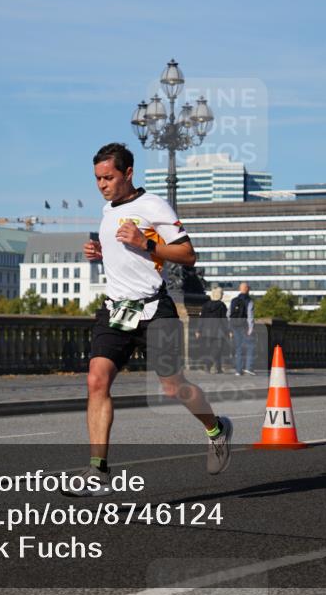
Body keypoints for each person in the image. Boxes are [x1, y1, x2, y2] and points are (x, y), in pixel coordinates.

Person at [64, 143, 233, 498]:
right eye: (97, 178)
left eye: (108, 177)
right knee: (97, 380)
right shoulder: (107, 210)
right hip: (116, 310)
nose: (102, 185)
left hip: (155, 310)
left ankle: (216, 429)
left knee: (173, 387)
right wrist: (101, 252)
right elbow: (124, 256)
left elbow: (188, 255)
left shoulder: (153, 205)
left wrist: (146, 243)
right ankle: (97, 471)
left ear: (128, 173)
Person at [196, 286, 229, 374]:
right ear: (219, 295)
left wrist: (198, 330)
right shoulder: (222, 306)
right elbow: (223, 319)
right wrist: (228, 330)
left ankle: (218, 368)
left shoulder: (205, 305)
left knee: (211, 349)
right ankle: (208, 364)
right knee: (217, 349)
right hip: (218, 331)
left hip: (206, 331)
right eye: (222, 293)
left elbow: (201, 318)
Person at [228, 282, 256, 376]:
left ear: (240, 289)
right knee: (250, 346)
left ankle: (238, 370)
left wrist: (230, 328)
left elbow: (228, 315)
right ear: (247, 289)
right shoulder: (249, 301)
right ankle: (248, 367)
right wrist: (251, 329)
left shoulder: (233, 300)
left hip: (235, 326)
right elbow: (250, 316)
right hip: (245, 326)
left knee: (238, 348)